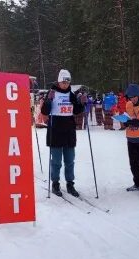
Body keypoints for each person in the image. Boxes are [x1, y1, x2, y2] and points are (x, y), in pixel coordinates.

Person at [41, 69, 86, 197]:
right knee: (56, 161)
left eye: (67, 81)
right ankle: (55, 183)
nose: (65, 84)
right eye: (63, 81)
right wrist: (48, 101)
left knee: (70, 160)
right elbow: (44, 110)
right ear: (59, 81)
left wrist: (82, 103)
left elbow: (76, 110)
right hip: (55, 130)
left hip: (69, 131)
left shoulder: (71, 94)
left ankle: (70, 184)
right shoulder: (52, 92)